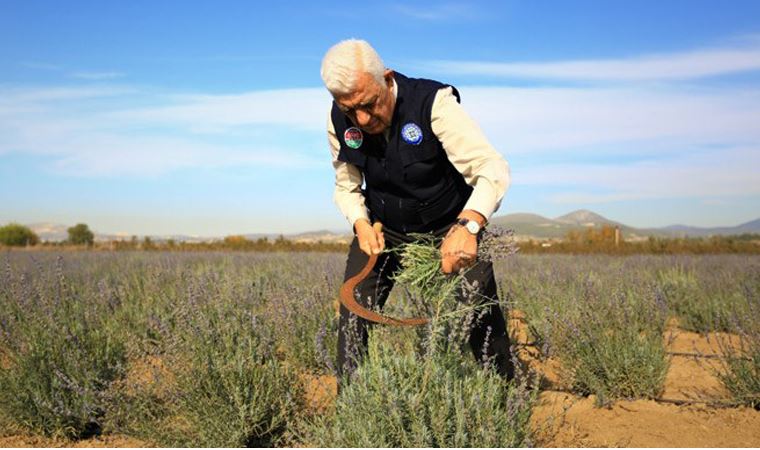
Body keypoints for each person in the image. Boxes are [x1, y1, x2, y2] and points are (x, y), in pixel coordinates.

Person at [321, 39, 514, 386]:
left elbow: (491, 167)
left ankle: (504, 398)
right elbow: (346, 185)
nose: (362, 120)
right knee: (353, 315)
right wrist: (360, 223)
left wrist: (468, 226)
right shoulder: (339, 121)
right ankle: (350, 412)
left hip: (449, 227)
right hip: (384, 232)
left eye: (368, 104)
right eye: (350, 110)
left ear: (387, 78)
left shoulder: (433, 103)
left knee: (477, 316)